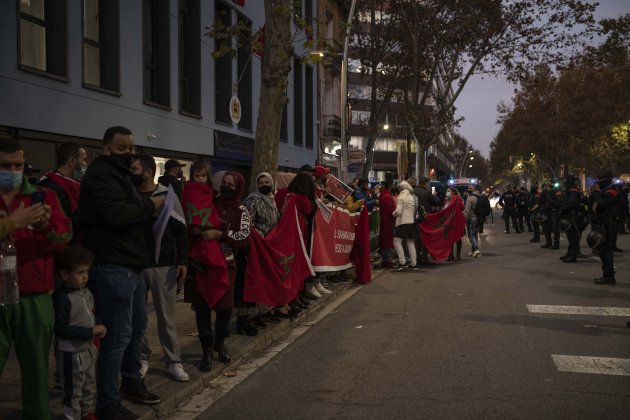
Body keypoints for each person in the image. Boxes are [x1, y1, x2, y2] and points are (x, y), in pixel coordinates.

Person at [80, 126, 164, 418]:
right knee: (117, 336)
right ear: (105, 149)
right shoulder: (101, 176)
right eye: (121, 148)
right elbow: (116, 214)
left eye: (131, 148)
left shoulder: (121, 176)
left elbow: (130, 207)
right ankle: (107, 401)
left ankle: (131, 381)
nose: (128, 153)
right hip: (113, 266)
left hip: (132, 265)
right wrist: (148, 205)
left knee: (136, 329)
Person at [0, 134, 72, 420]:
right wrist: (11, 223)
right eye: (6, 166)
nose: (13, 172)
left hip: (34, 295)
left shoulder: (44, 196)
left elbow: (64, 237)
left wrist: (43, 227)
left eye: (18, 165)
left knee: (37, 369)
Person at [131, 154, 190, 382]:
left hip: (163, 264)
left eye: (134, 169)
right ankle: (141, 357)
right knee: (137, 318)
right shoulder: (130, 196)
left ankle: (173, 361)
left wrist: (183, 260)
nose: (131, 173)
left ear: (147, 171)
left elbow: (180, 231)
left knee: (166, 317)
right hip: (135, 263)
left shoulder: (167, 195)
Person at [53, 246, 104, 420]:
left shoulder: (86, 292)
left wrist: (96, 331)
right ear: (65, 275)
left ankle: (87, 413)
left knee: (89, 384)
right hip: (71, 353)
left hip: (88, 349)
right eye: (80, 272)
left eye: (86, 272)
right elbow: (61, 328)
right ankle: (72, 416)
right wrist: (90, 331)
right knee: (73, 390)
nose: (85, 276)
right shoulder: (62, 298)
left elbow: (90, 313)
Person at [243, 172, 283, 325]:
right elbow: (249, 223)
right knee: (259, 278)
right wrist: (260, 237)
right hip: (258, 246)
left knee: (268, 278)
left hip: (270, 246)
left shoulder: (272, 201)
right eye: (261, 183)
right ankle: (256, 313)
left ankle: (266, 310)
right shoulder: (253, 200)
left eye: (267, 182)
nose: (264, 185)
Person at [592, 172, 622, 285]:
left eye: (600, 180)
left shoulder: (610, 193)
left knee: (606, 251)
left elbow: (597, 206)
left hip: (608, 224)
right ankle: (607, 275)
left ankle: (608, 276)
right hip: (608, 223)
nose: (598, 183)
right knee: (604, 250)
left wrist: (597, 204)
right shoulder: (610, 191)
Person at [413, 177, 440, 264]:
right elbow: (437, 202)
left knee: (416, 240)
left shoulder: (413, 191)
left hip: (414, 219)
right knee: (425, 238)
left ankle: (416, 258)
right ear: (425, 183)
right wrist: (434, 195)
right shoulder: (427, 193)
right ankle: (424, 258)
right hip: (425, 218)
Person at [392, 180, 419, 271]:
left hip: (402, 223)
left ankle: (402, 262)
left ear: (402, 188)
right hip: (411, 222)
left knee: (397, 241)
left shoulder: (401, 197)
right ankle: (413, 264)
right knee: (410, 243)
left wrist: (393, 214)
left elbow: (398, 212)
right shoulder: (411, 197)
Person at [560, 175, 582, 263]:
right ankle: (569, 253)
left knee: (573, 237)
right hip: (570, 215)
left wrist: (563, 209)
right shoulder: (569, 190)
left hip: (574, 216)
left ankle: (573, 256)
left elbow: (571, 203)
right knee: (570, 236)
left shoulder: (573, 190)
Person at [378, 180, 396, 268]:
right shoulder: (387, 196)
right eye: (393, 185)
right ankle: (385, 260)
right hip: (387, 221)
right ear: (390, 186)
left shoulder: (384, 194)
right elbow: (391, 210)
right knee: (386, 240)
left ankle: (386, 259)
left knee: (386, 240)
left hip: (385, 220)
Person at [445, 187, 464, 261]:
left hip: (456, 221)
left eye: (449, 191)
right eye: (447, 191)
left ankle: (458, 255)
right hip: (448, 221)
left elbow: (462, 207)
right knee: (450, 238)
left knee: (458, 237)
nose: (447, 192)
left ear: (453, 192)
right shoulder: (446, 200)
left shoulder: (458, 199)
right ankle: (450, 255)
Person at [464, 184, 482, 258]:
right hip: (479, 218)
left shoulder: (470, 198)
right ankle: (473, 250)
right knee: (475, 235)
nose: (468, 189)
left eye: (470, 188)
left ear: (474, 188)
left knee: (471, 235)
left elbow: (467, 210)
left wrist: (464, 219)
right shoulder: (481, 196)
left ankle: (476, 250)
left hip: (471, 218)